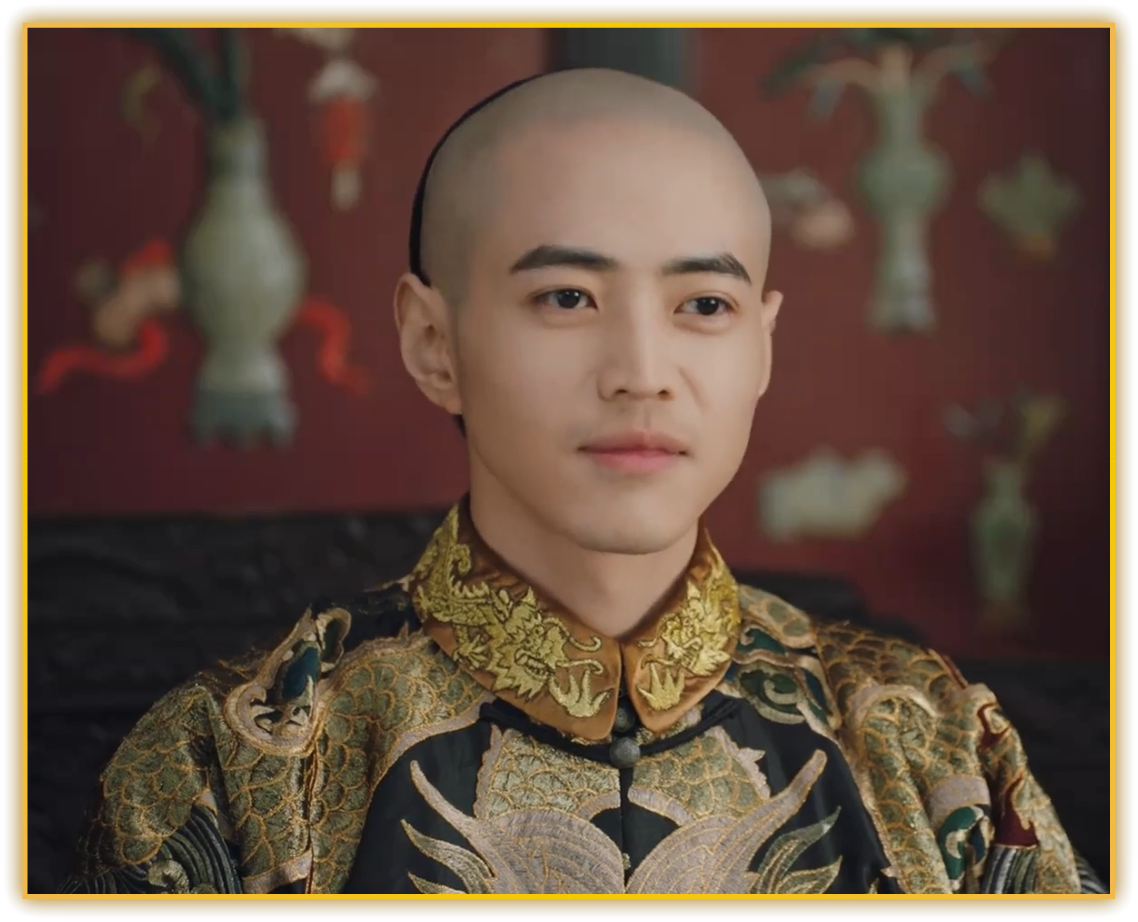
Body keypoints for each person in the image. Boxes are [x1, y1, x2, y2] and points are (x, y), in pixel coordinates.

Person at [59, 67, 1103, 896]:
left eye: (703, 306)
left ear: (763, 346)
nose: (642, 371)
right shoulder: (232, 761)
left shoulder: (928, 739)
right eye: (566, 297)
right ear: (431, 343)